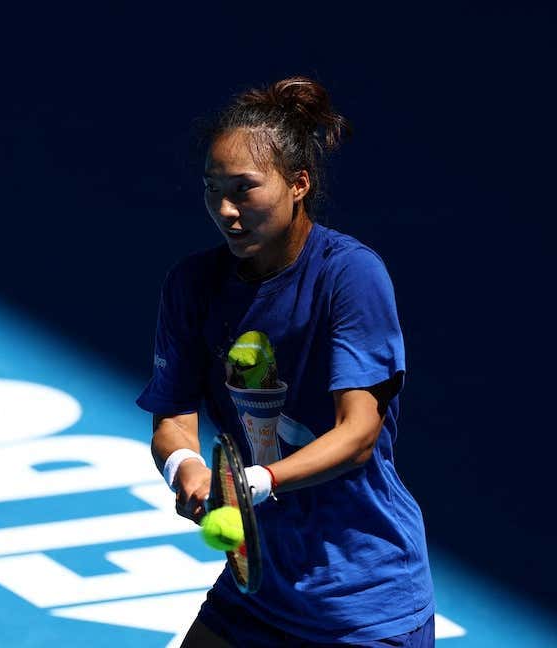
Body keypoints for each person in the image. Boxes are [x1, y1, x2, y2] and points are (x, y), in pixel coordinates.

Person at [137, 77, 436, 646]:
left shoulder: (349, 275)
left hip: (363, 602)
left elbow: (359, 434)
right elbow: (173, 418)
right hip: (258, 592)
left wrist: (259, 479)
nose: (225, 210)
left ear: (298, 184)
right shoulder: (192, 284)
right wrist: (187, 470)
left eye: (245, 190)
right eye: (212, 189)